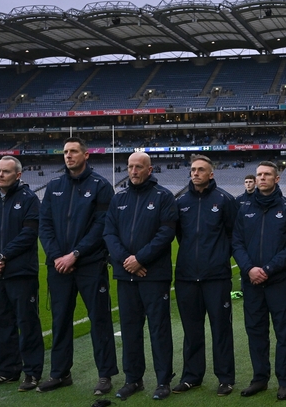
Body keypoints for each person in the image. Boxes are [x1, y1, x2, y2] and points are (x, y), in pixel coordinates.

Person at [37, 137, 118, 395]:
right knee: (60, 321)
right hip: (59, 266)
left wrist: (75, 254)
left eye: (73, 151)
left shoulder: (101, 186)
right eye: (65, 152)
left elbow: (102, 226)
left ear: (86, 155)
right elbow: (45, 224)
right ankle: (60, 373)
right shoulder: (53, 186)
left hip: (90, 265)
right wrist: (56, 255)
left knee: (100, 320)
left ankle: (105, 375)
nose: (68, 156)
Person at [104, 152, 177, 400]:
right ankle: (133, 379)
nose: (133, 171)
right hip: (127, 277)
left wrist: (140, 259)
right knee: (130, 329)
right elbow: (109, 233)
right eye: (130, 167)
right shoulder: (119, 197)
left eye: (138, 167)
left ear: (149, 169)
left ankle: (163, 380)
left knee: (159, 329)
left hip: (154, 276)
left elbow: (166, 232)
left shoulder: (163, 196)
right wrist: (127, 261)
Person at [0, 156, 44, 391]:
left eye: (5, 171)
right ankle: (8, 370)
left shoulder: (29, 199)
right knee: (0, 322)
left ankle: (32, 373)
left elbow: (28, 234)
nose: (0, 175)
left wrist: (2, 257)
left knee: (27, 322)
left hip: (21, 273)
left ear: (18, 175)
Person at [232, 161, 286, 401]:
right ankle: (259, 378)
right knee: (255, 331)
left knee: (283, 332)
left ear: (276, 179)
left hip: (279, 281)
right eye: (259, 174)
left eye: (267, 175)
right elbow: (236, 241)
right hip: (251, 282)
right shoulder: (244, 208)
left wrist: (268, 269)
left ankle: (285, 382)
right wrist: (249, 269)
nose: (262, 178)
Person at [173, 154, 238, 397]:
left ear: (211, 174)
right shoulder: (181, 202)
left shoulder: (225, 200)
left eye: (201, 169)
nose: (196, 173)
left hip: (216, 277)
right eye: (193, 169)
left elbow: (234, 234)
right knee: (192, 330)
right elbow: (180, 236)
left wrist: (220, 257)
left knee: (221, 329)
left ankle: (225, 378)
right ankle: (192, 376)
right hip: (187, 277)